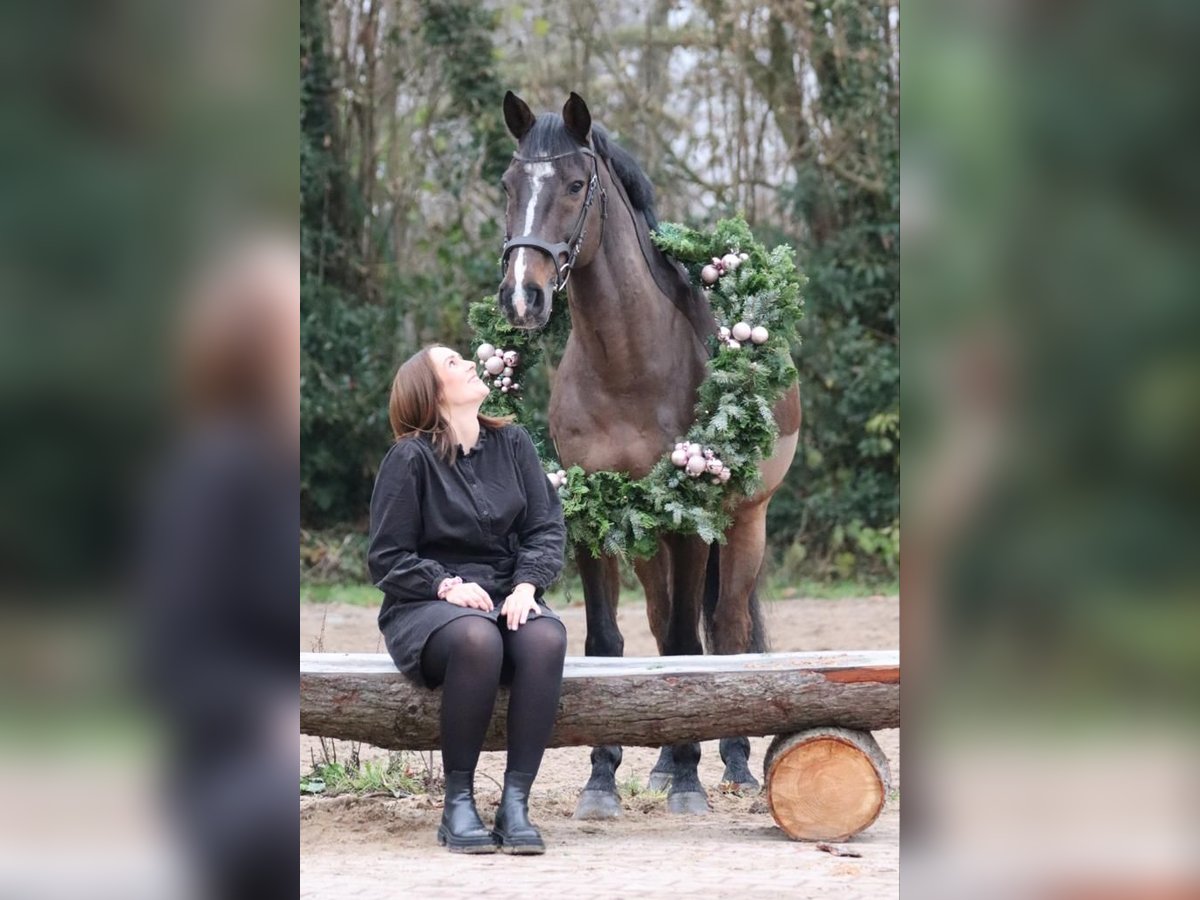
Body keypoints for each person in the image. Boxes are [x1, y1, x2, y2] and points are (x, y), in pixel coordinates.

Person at [368, 345, 568, 855]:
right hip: (425, 607)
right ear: (432, 394)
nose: (470, 364)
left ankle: (516, 804)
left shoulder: (513, 443)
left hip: (505, 591)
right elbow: (387, 558)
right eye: (453, 363)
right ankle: (458, 803)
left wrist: (527, 585)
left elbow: (545, 527)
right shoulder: (409, 457)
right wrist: (446, 585)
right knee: (478, 639)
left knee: (545, 636)